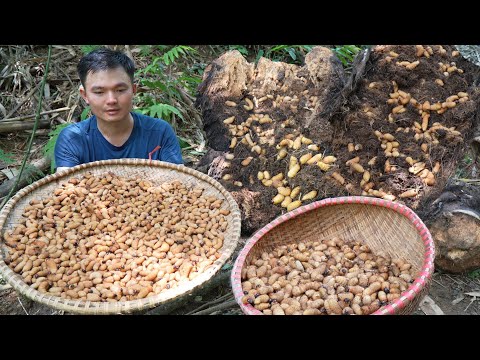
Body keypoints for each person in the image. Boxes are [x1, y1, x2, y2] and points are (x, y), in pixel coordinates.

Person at [54, 47, 183, 172]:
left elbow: (176, 185)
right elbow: (66, 189)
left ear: (133, 90)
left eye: (120, 90)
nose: (111, 100)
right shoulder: (72, 139)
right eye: (99, 92)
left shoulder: (160, 133)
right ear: (85, 95)